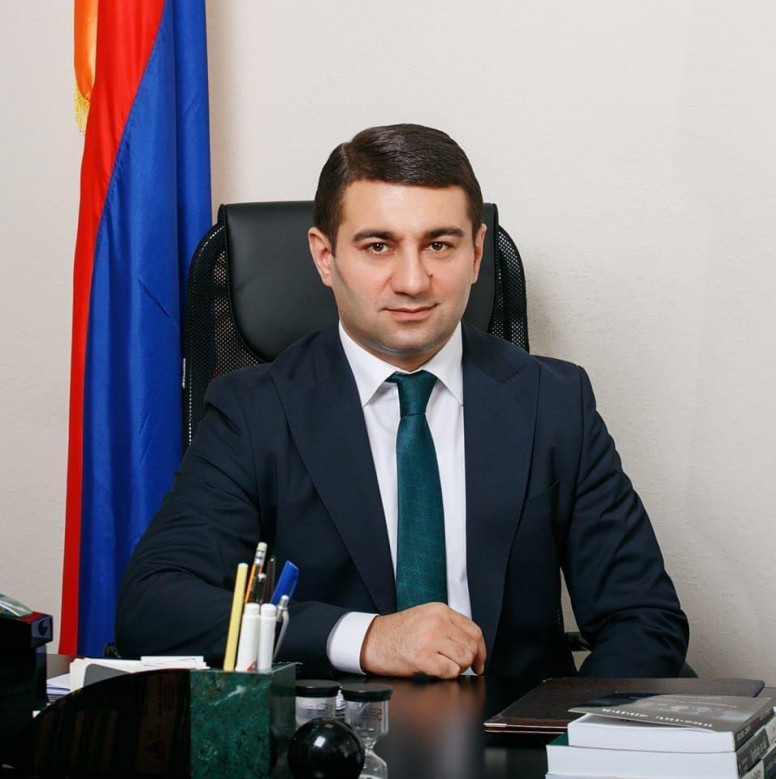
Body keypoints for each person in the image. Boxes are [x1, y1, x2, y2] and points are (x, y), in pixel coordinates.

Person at [116, 124, 688, 683]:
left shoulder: (555, 401)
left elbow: (644, 618)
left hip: (514, 730)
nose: (413, 281)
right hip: (332, 733)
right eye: (378, 246)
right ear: (324, 256)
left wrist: (571, 735)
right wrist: (366, 638)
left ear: (476, 254)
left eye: (439, 245)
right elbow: (154, 606)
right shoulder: (254, 411)